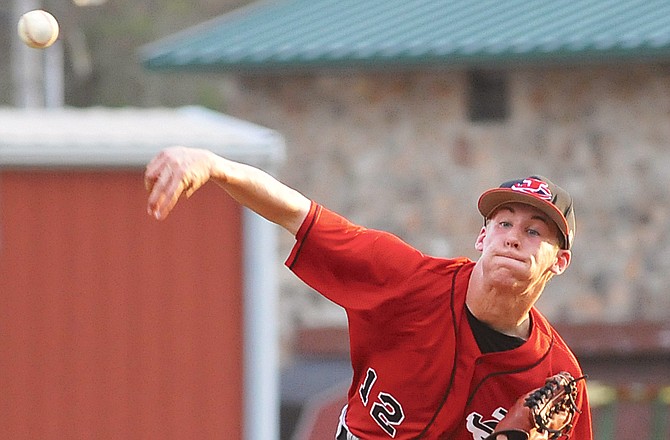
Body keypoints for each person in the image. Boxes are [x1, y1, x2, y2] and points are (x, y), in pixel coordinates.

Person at [145, 147, 593, 440]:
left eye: (535, 231)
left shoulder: (556, 377)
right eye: (504, 223)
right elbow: (299, 215)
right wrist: (215, 166)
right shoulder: (406, 280)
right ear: (482, 237)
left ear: (559, 262)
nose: (513, 238)